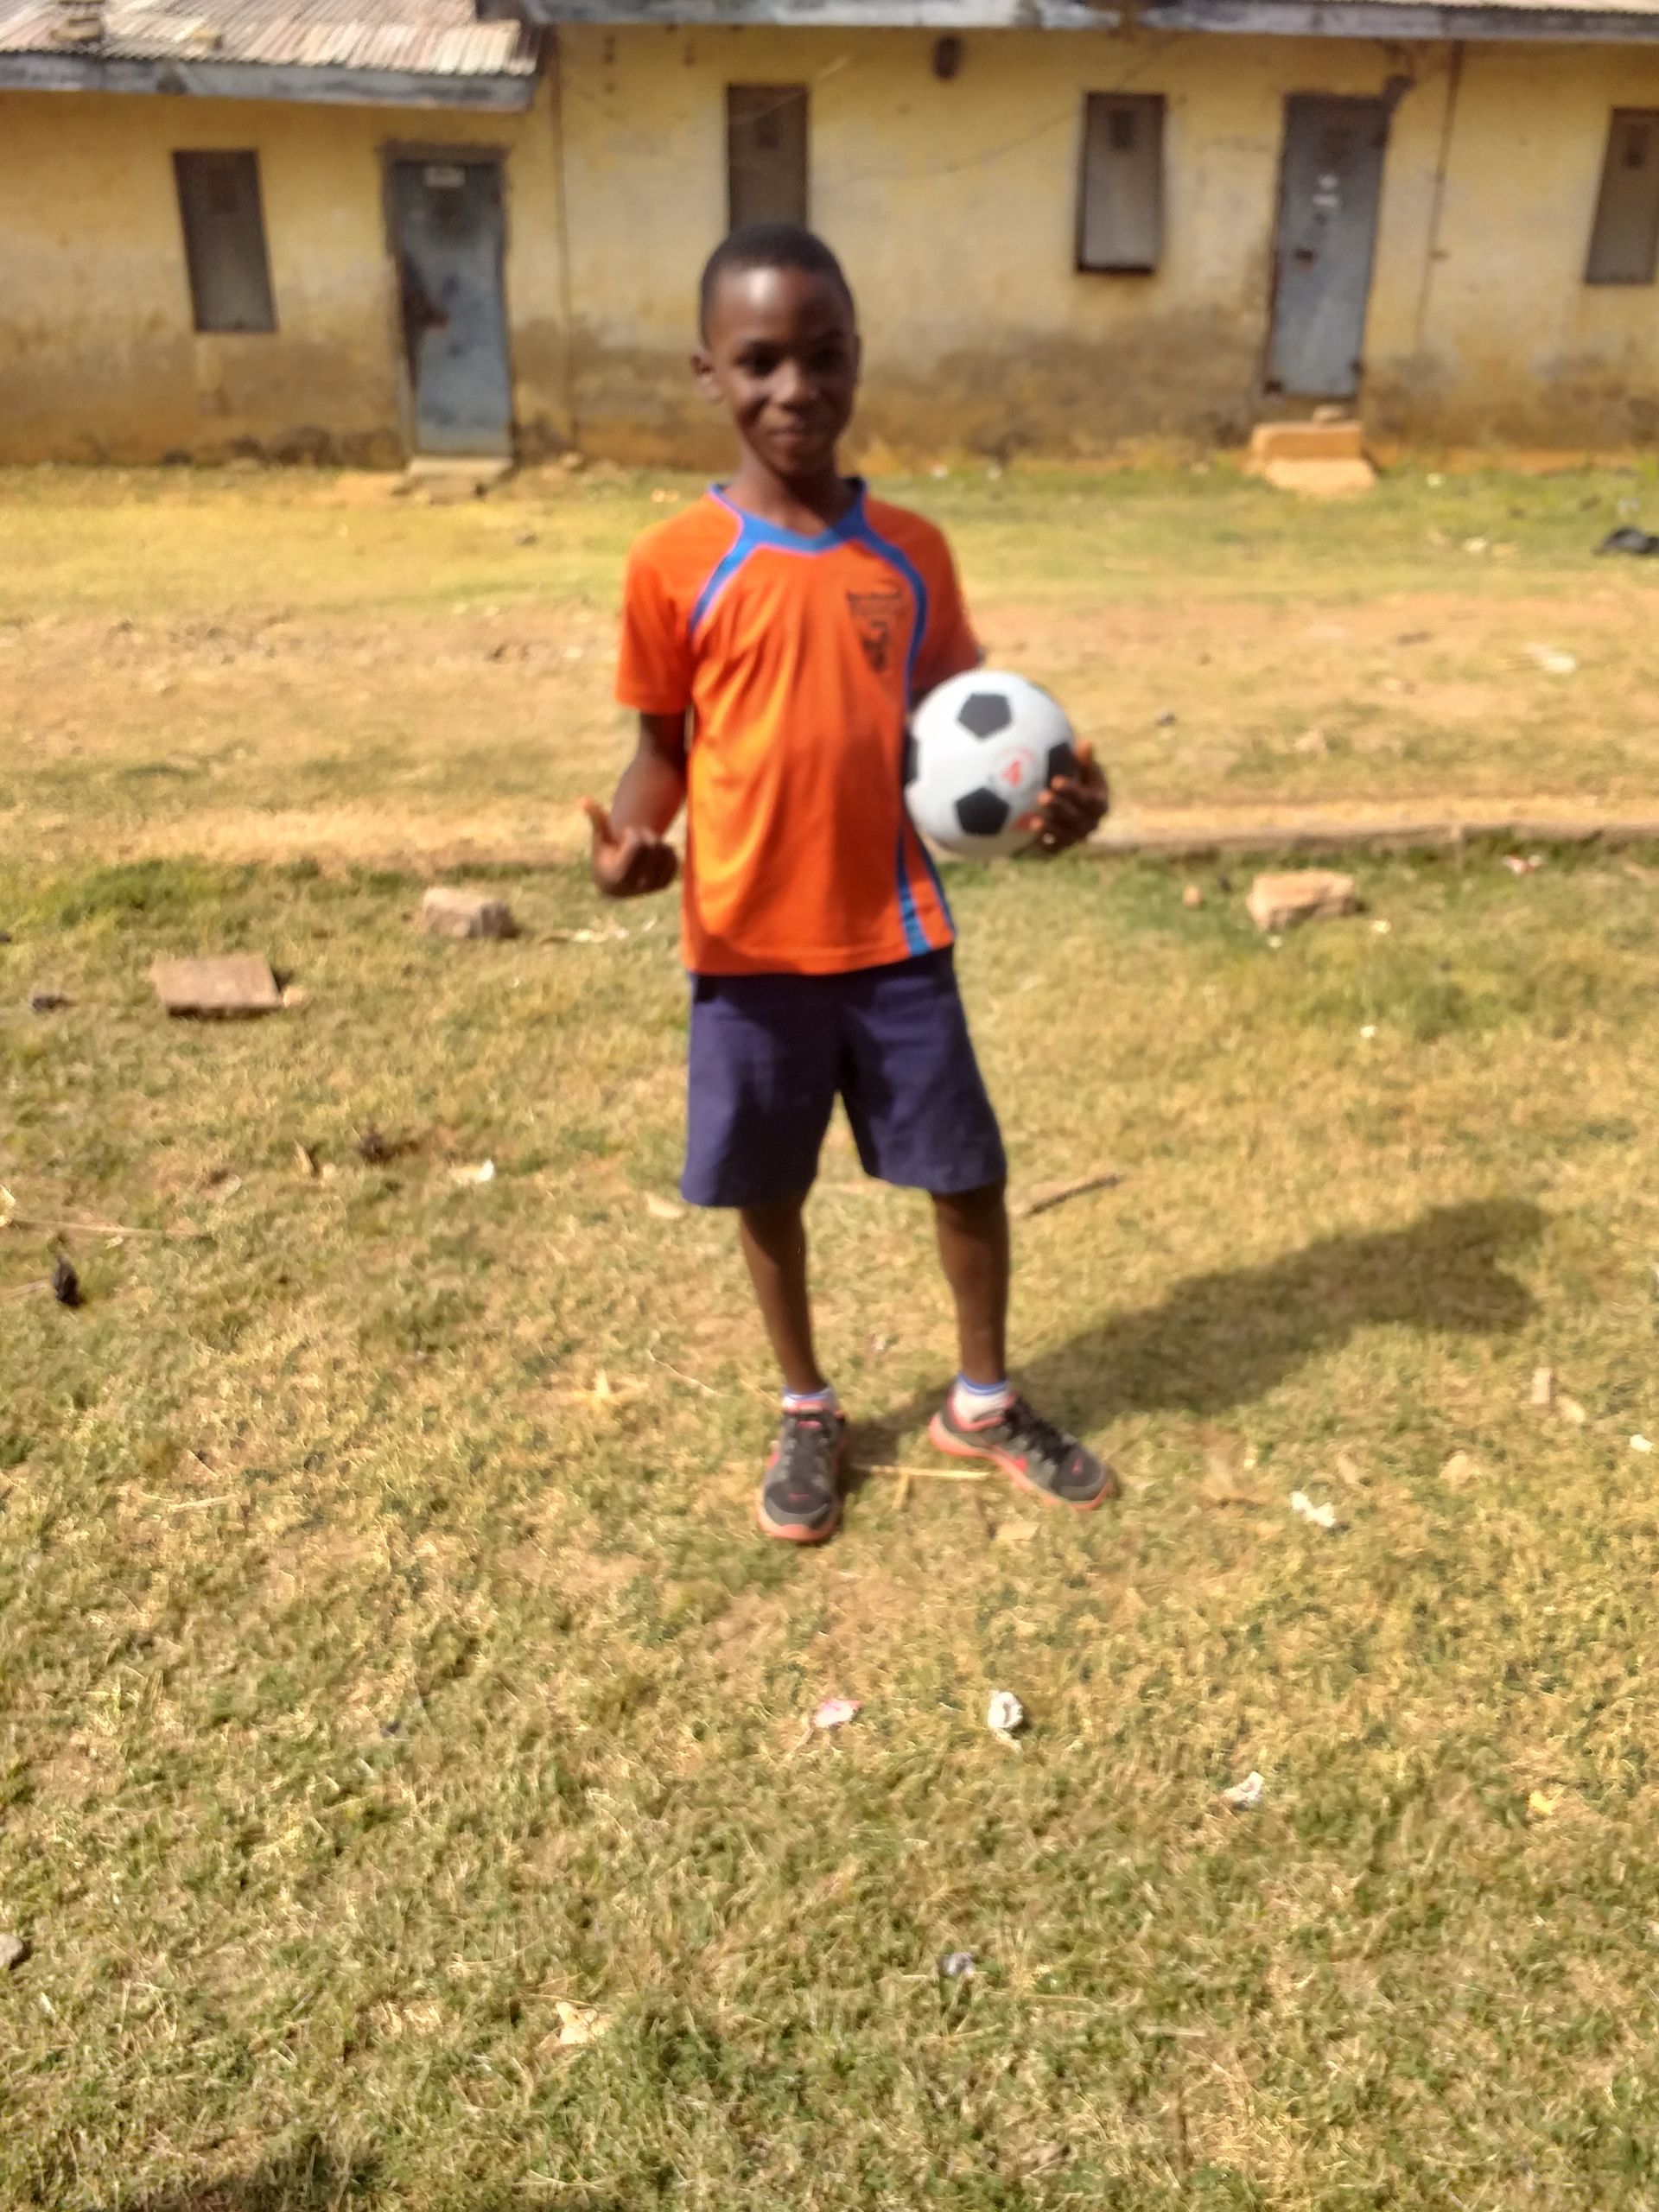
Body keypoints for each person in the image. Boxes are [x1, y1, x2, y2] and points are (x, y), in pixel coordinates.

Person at [582, 222, 1114, 1545]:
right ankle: (808, 1407)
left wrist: (1056, 809)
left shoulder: (912, 553)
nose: (795, 389)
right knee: (769, 1189)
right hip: (746, 948)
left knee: (966, 1172)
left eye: (823, 357)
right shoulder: (671, 564)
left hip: (896, 933)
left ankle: (981, 1401)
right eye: (760, 360)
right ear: (707, 370)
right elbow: (661, 754)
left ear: (858, 359)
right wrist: (627, 848)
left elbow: (974, 743)